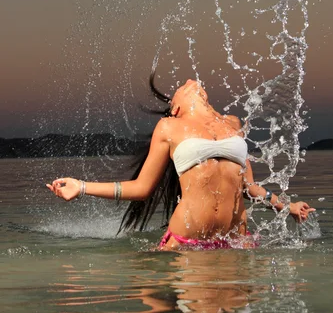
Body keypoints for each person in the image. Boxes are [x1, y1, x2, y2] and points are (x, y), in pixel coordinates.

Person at [47, 75, 315, 250]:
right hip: (186, 244)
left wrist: (286, 206)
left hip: (237, 242)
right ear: (175, 107)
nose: (189, 80)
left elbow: (249, 187)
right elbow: (141, 188)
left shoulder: (233, 123)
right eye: (181, 88)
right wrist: (81, 187)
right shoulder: (169, 127)